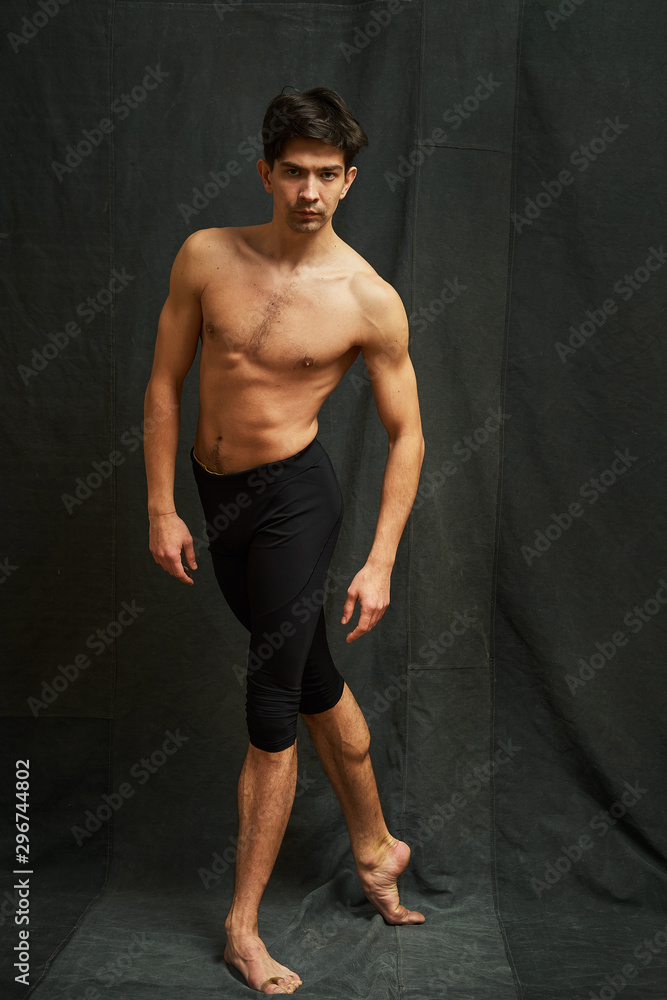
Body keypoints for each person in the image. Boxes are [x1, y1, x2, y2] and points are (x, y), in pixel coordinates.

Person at [143, 86, 425, 995]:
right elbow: (163, 386)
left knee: (271, 712)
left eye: (328, 175)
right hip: (212, 494)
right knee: (311, 681)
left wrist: (379, 560)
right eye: (294, 171)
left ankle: (240, 928)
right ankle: (378, 849)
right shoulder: (206, 257)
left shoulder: (367, 298)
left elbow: (407, 434)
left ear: (349, 181)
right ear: (266, 171)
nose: (309, 190)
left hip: (296, 502)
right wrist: (160, 506)